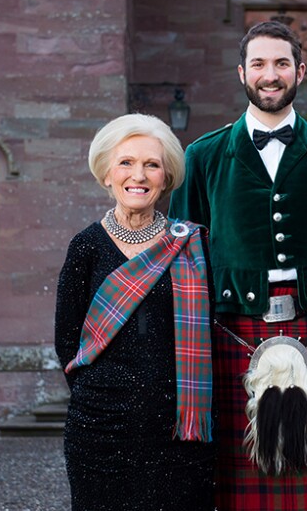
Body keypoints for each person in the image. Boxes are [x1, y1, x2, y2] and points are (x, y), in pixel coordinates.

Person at [169, 21, 307, 510]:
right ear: (241, 73)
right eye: (259, 64)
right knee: (240, 486)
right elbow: (184, 260)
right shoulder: (203, 156)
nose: (270, 75)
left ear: (301, 71)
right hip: (233, 330)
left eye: (281, 63)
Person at [54, 113, 215, 511]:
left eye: (151, 164)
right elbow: (66, 342)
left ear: (166, 177)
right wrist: (105, 393)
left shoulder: (193, 245)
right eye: (126, 162)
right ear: (107, 173)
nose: (138, 175)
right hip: (100, 427)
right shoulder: (86, 247)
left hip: (179, 429)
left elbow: (211, 326)